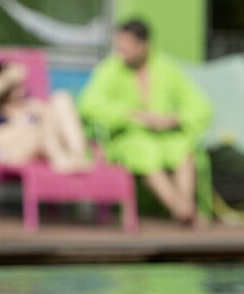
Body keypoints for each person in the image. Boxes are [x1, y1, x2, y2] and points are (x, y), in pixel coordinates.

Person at [78, 18, 211, 225]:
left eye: (127, 44)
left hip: (165, 136)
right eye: (119, 43)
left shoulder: (166, 68)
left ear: (144, 45)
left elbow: (200, 105)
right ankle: (182, 210)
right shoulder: (110, 69)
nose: (121, 49)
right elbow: (88, 104)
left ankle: (184, 207)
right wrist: (131, 115)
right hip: (127, 137)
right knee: (144, 152)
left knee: (183, 147)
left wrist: (172, 119)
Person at [0, 60, 91, 173]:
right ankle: (62, 161)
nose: (19, 88)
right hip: (11, 151)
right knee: (39, 131)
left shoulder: (30, 105)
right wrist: (11, 76)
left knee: (61, 98)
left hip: (44, 147)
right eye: (14, 86)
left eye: (20, 85)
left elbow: (55, 120)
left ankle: (78, 154)